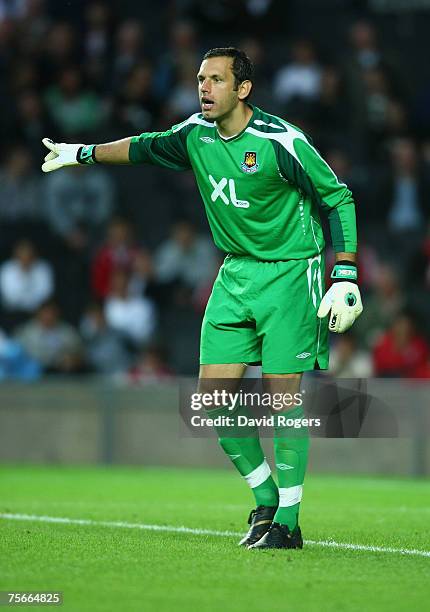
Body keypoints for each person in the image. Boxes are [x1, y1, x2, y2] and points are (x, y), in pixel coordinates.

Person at [41, 47, 363, 550]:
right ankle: (265, 499)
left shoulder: (282, 142)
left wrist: (344, 274)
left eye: (216, 79)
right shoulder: (196, 134)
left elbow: (337, 197)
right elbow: (143, 147)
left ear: (243, 88)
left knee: (282, 400)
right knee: (212, 402)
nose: (204, 88)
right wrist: (81, 152)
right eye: (200, 79)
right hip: (234, 274)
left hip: (289, 274)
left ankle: (289, 524)